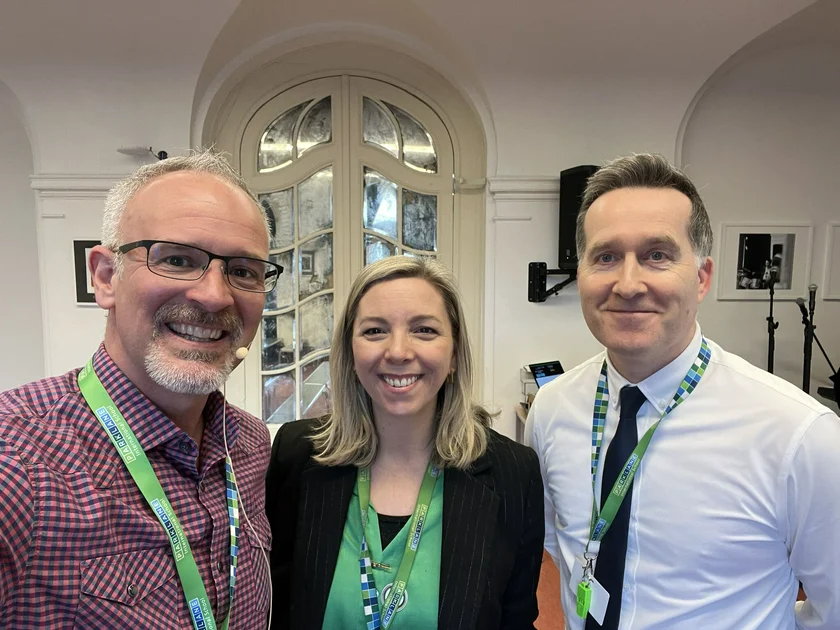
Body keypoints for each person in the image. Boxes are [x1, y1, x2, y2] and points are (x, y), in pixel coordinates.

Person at [527, 153, 840, 629]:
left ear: (702, 277)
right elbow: (560, 546)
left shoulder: (799, 435)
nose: (628, 284)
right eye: (606, 256)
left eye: (657, 255)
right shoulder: (552, 408)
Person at [0, 150, 276, 628]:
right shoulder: (19, 463)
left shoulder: (250, 447)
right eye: (176, 259)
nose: (214, 295)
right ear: (105, 277)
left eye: (243, 271)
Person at [266, 256, 544, 630]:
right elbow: (275, 608)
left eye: (424, 330)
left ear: (455, 354)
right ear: (350, 352)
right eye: (375, 331)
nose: (397, 351)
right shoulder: (298, 455)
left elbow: (515, 620)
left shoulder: (514, 472)